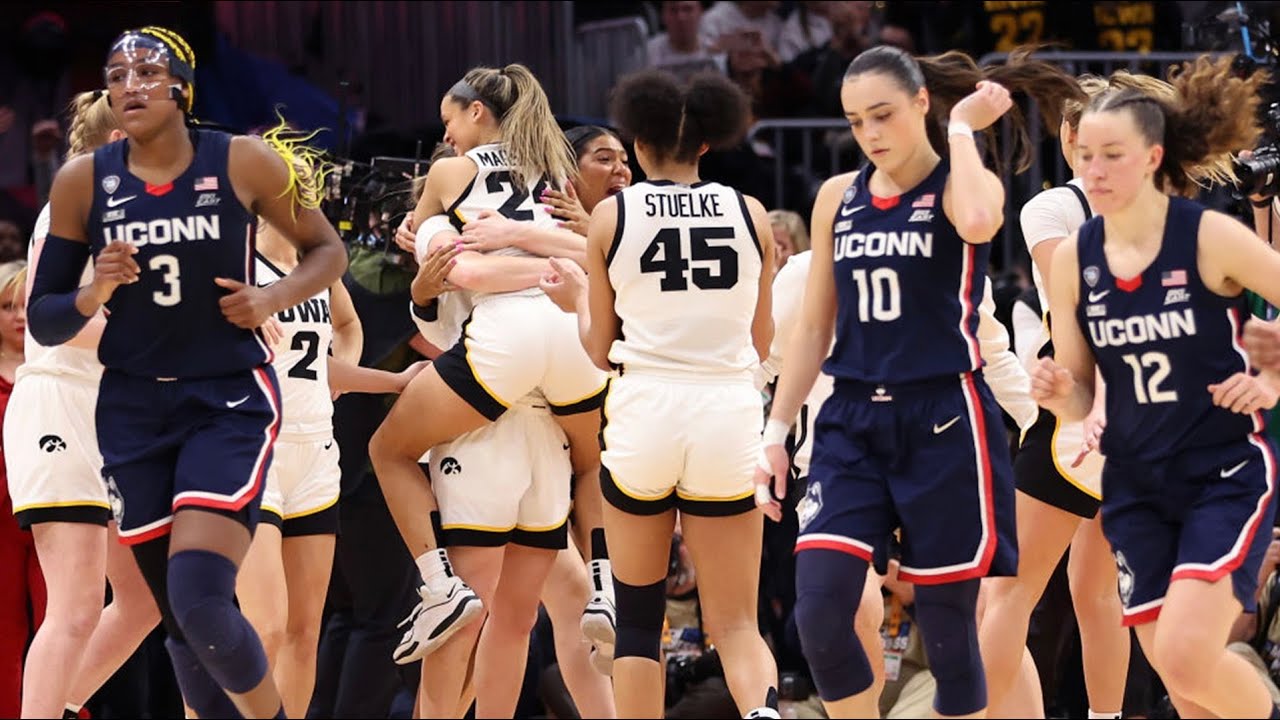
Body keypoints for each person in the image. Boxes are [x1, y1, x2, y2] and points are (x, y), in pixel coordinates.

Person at [26, 26, 348, 719]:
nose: (130, 85)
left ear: (184, 87)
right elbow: (45, 318)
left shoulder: (243, 160)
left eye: (147, 71)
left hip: (225, 400)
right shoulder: (83, 181)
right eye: (116, 75)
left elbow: (328, 252)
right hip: (132, 413)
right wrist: (93, 291)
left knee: (200, 597)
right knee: (176, 620)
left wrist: (270, 296)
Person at [756, 44, 1083, 718]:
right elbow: (815, 328)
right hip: (850, 421)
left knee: (950, 633)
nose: (871, 134)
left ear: (921, 105)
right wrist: (776, 431)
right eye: (855, 122)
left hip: (943, 420)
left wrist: (962, 130)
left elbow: (978, 221)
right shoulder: (834, 197)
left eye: (883, 115)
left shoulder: (966, 184)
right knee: (818, 614)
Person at [1032, 54, 1280, 719]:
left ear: (1152, 157)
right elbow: (1082, 393)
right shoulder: (1076, 259)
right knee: (1183, 679)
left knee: (1188, 653)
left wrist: (1272, 377)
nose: (1094, 170)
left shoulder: (1209, 238)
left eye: (1112, 154)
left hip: (1220, 471)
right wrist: (1060, 397)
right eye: (1085, 155)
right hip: (1135, 484)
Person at [541, 68, 781, 719]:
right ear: (706, 144)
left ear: (639, 142)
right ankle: (763, 712)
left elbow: (598, 348)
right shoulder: (752, 213)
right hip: (727, 416)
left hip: (645, 415)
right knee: (737, 624)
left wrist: (573, 305)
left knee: (640, 624)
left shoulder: (612, 215)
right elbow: (762, 343)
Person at [370, 64, 609, 675]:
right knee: (591, 463)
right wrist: (554, 267)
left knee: (388, 449)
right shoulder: (555, 171)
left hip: (510, 336)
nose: (445, 135)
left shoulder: (450, 172)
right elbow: (598, 255)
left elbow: (466, 279)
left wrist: (433, 244)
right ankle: (606, 582)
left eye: (449, 120)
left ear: (477, 113)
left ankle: (437, 585)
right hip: (575, 324)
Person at [977, 71, 1192, 719]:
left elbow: (1085, 295)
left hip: (1084, 411)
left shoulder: (1056, 208)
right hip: (1147, 414)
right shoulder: (1151, 209)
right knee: (1096, 592)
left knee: (1009, 592)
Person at [234, 124, 430, 719]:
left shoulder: (322, 270)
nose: (308, 202)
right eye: (297, 192)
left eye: (311, 192)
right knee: (261, 627)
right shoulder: (239, 261)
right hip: (254, 451)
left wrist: (348, 373)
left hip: (317, 453)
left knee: (303, 630)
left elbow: (345, 330)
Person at [4, 89, 162, 720]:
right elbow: (48, 321)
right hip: (59, 405)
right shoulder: (72, 205)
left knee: (144, 599)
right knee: (71, 607)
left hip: (107, 413)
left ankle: (59, 707)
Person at [0, 260, 39, 719]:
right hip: (3, 518)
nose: (18, 316)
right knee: (6, 633)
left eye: (27, 304)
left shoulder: (60, 364)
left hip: (53, 502)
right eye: (8, 306)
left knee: (64, 622)